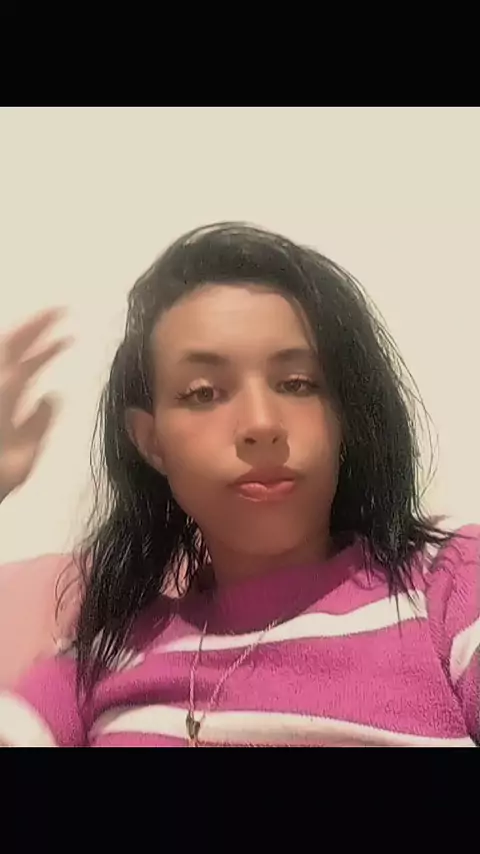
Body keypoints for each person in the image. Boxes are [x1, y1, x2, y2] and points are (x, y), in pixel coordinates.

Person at [0, 222, 478, 748]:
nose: (261, 424)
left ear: (344, 417)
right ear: (152, 442)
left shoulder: (449, 584)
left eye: (297, 384)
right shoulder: (100, 660)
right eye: (205, 393)